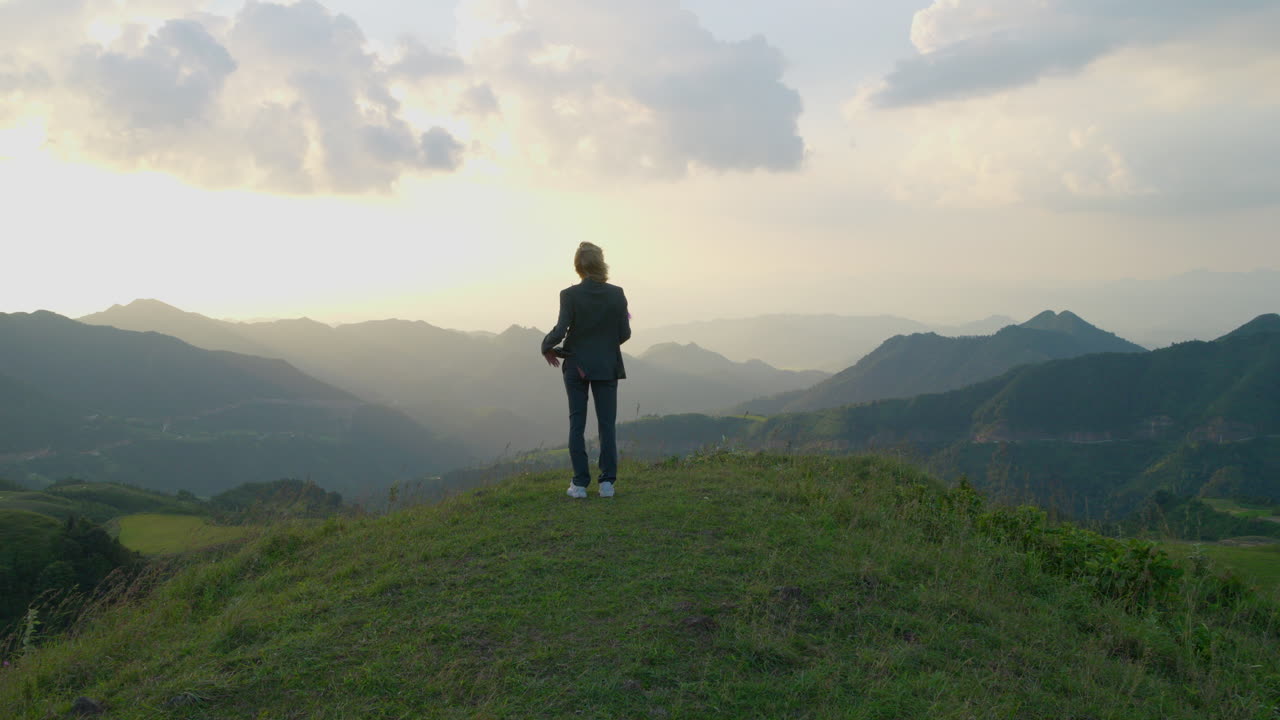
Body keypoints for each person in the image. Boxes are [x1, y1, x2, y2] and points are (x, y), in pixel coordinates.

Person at [541, 242, 631, 499]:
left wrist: (545, 346)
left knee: (576, 423)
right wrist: (604, 346)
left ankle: (579, 484)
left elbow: (560, 331)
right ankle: (607, 485)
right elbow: (624, 333)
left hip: (576, 366)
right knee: (607, 425)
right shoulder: (617, 294)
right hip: (607, 366)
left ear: (577, 266)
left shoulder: (569, 295)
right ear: (601, 263)